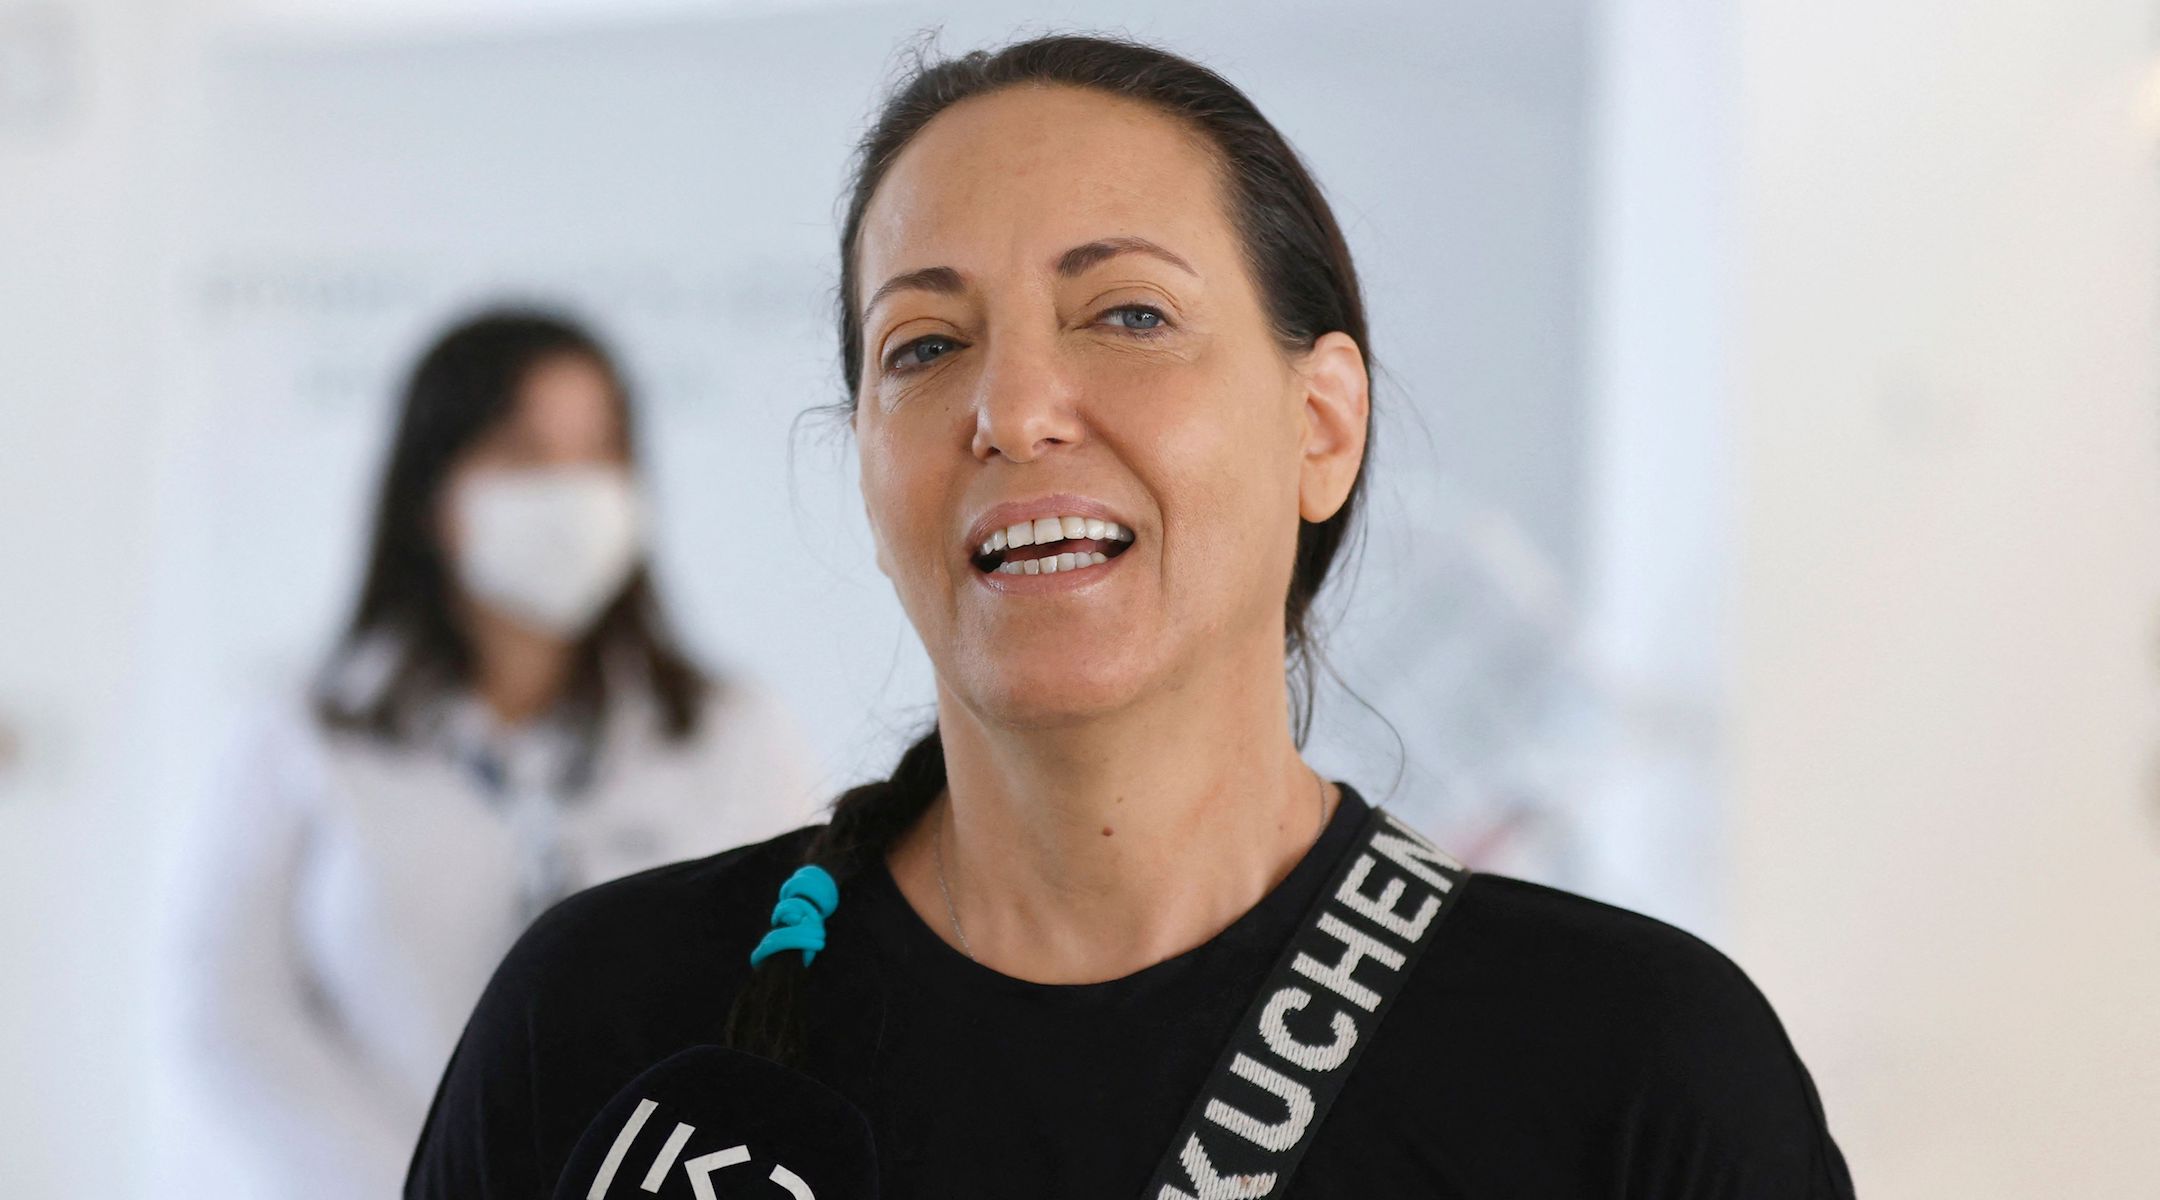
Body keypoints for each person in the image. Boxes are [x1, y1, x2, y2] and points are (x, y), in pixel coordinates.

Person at [405, 38, 1857, 1199]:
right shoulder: (608, 1020)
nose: (1013, 409)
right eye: (926, 344)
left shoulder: (1629, 1065)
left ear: (1323, 424)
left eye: (1130, 316)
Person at [171, 309, 823, 1199]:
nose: (571, 491)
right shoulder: (305, 731)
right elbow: (230, 1014)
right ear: (433, 496)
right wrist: (425, 1183)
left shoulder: (729, 730)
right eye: (523, 452)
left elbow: (795, 987)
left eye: (599, 453)